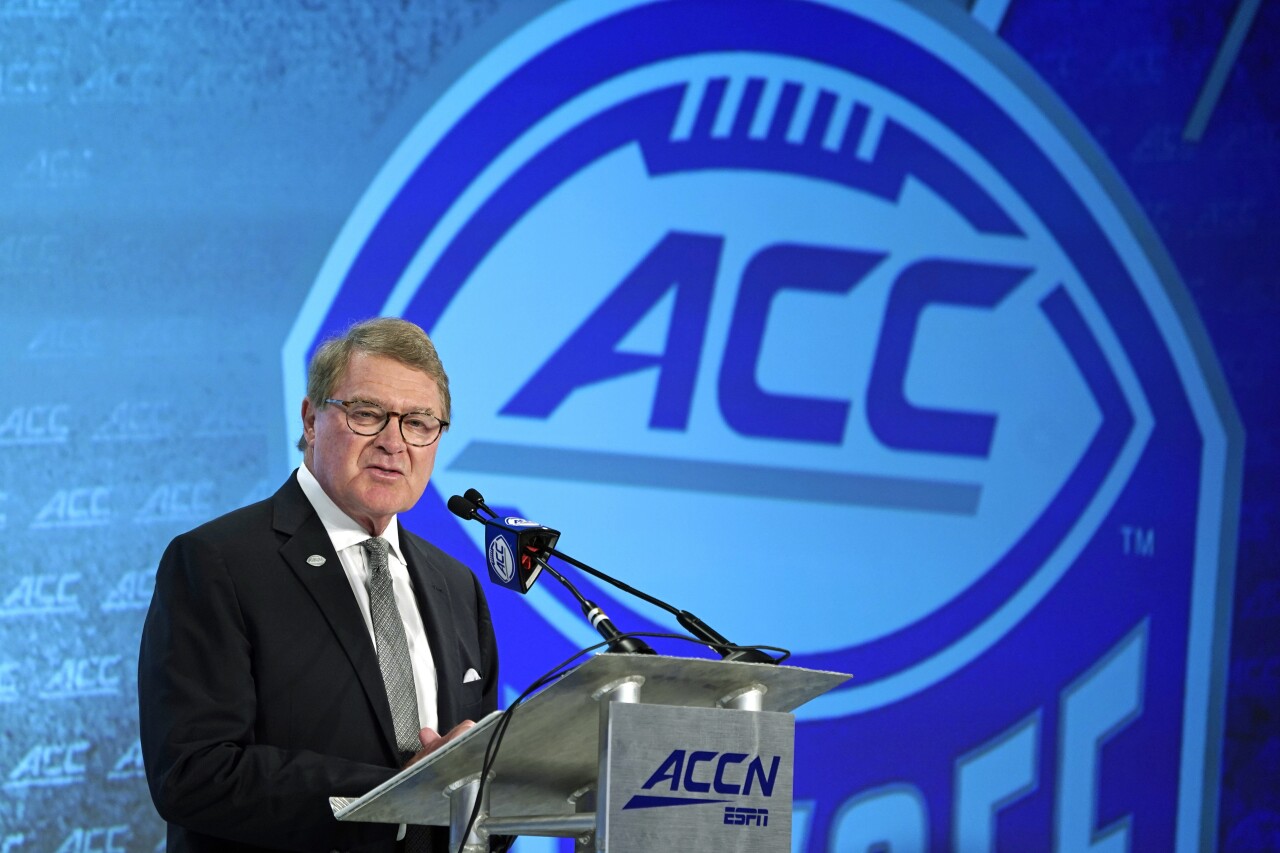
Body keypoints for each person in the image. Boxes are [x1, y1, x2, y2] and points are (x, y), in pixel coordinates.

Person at [139, 317, 498, 852]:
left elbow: (480, 788)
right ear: (311, 420)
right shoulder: (217, 562)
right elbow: (194, 771)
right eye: (368, 414)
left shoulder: (457, 585)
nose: (394, 443)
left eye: (420, 423)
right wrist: (396, 795)